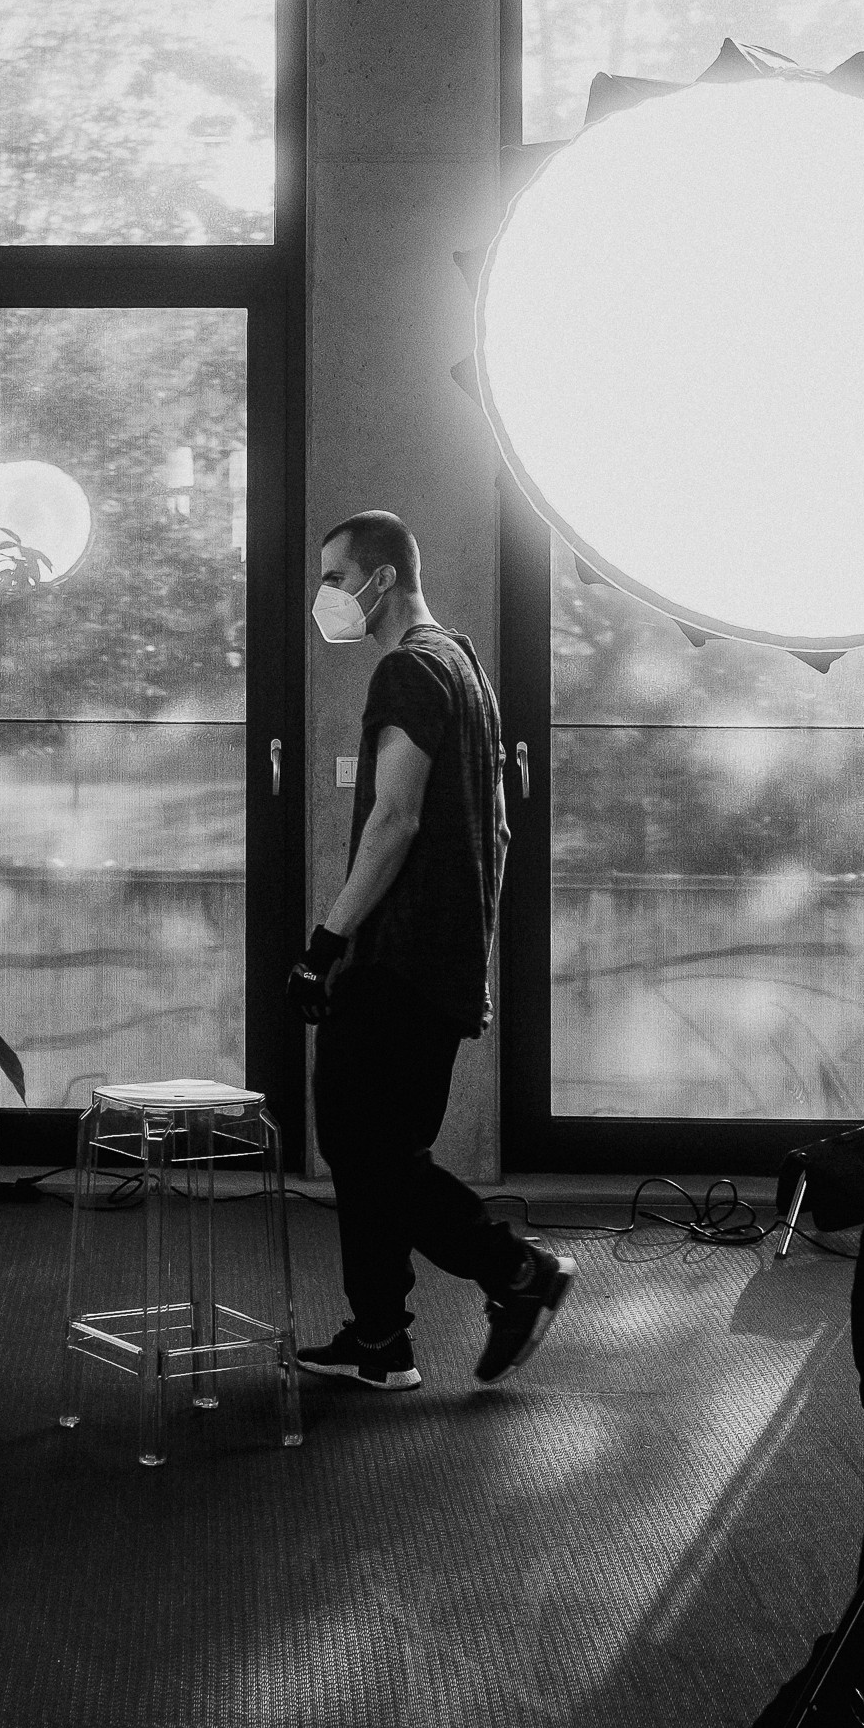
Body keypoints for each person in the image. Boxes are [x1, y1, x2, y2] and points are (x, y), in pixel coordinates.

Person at [288, 509, 575, 1390]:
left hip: (396, 961)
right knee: (384, 1150)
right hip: (445, 962)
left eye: (335, 577)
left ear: (379, 577)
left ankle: (515, 1270)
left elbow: (396, 816)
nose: (327, 595)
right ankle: (380, 1341)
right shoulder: (463, 662)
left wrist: (326, 941)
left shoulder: (410, 668)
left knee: (358, 1142)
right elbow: (487, 821)